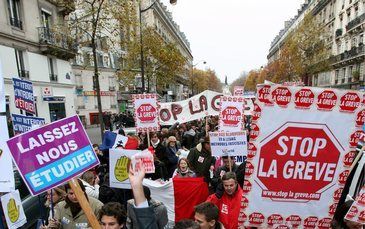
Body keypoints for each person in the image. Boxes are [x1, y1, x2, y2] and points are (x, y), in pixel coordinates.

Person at [128, 160, 158, 229]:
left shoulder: (160, 208)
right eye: (103, 224)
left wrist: (137, 186)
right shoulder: (129, 205)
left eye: (111, 224)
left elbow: (147, 225)